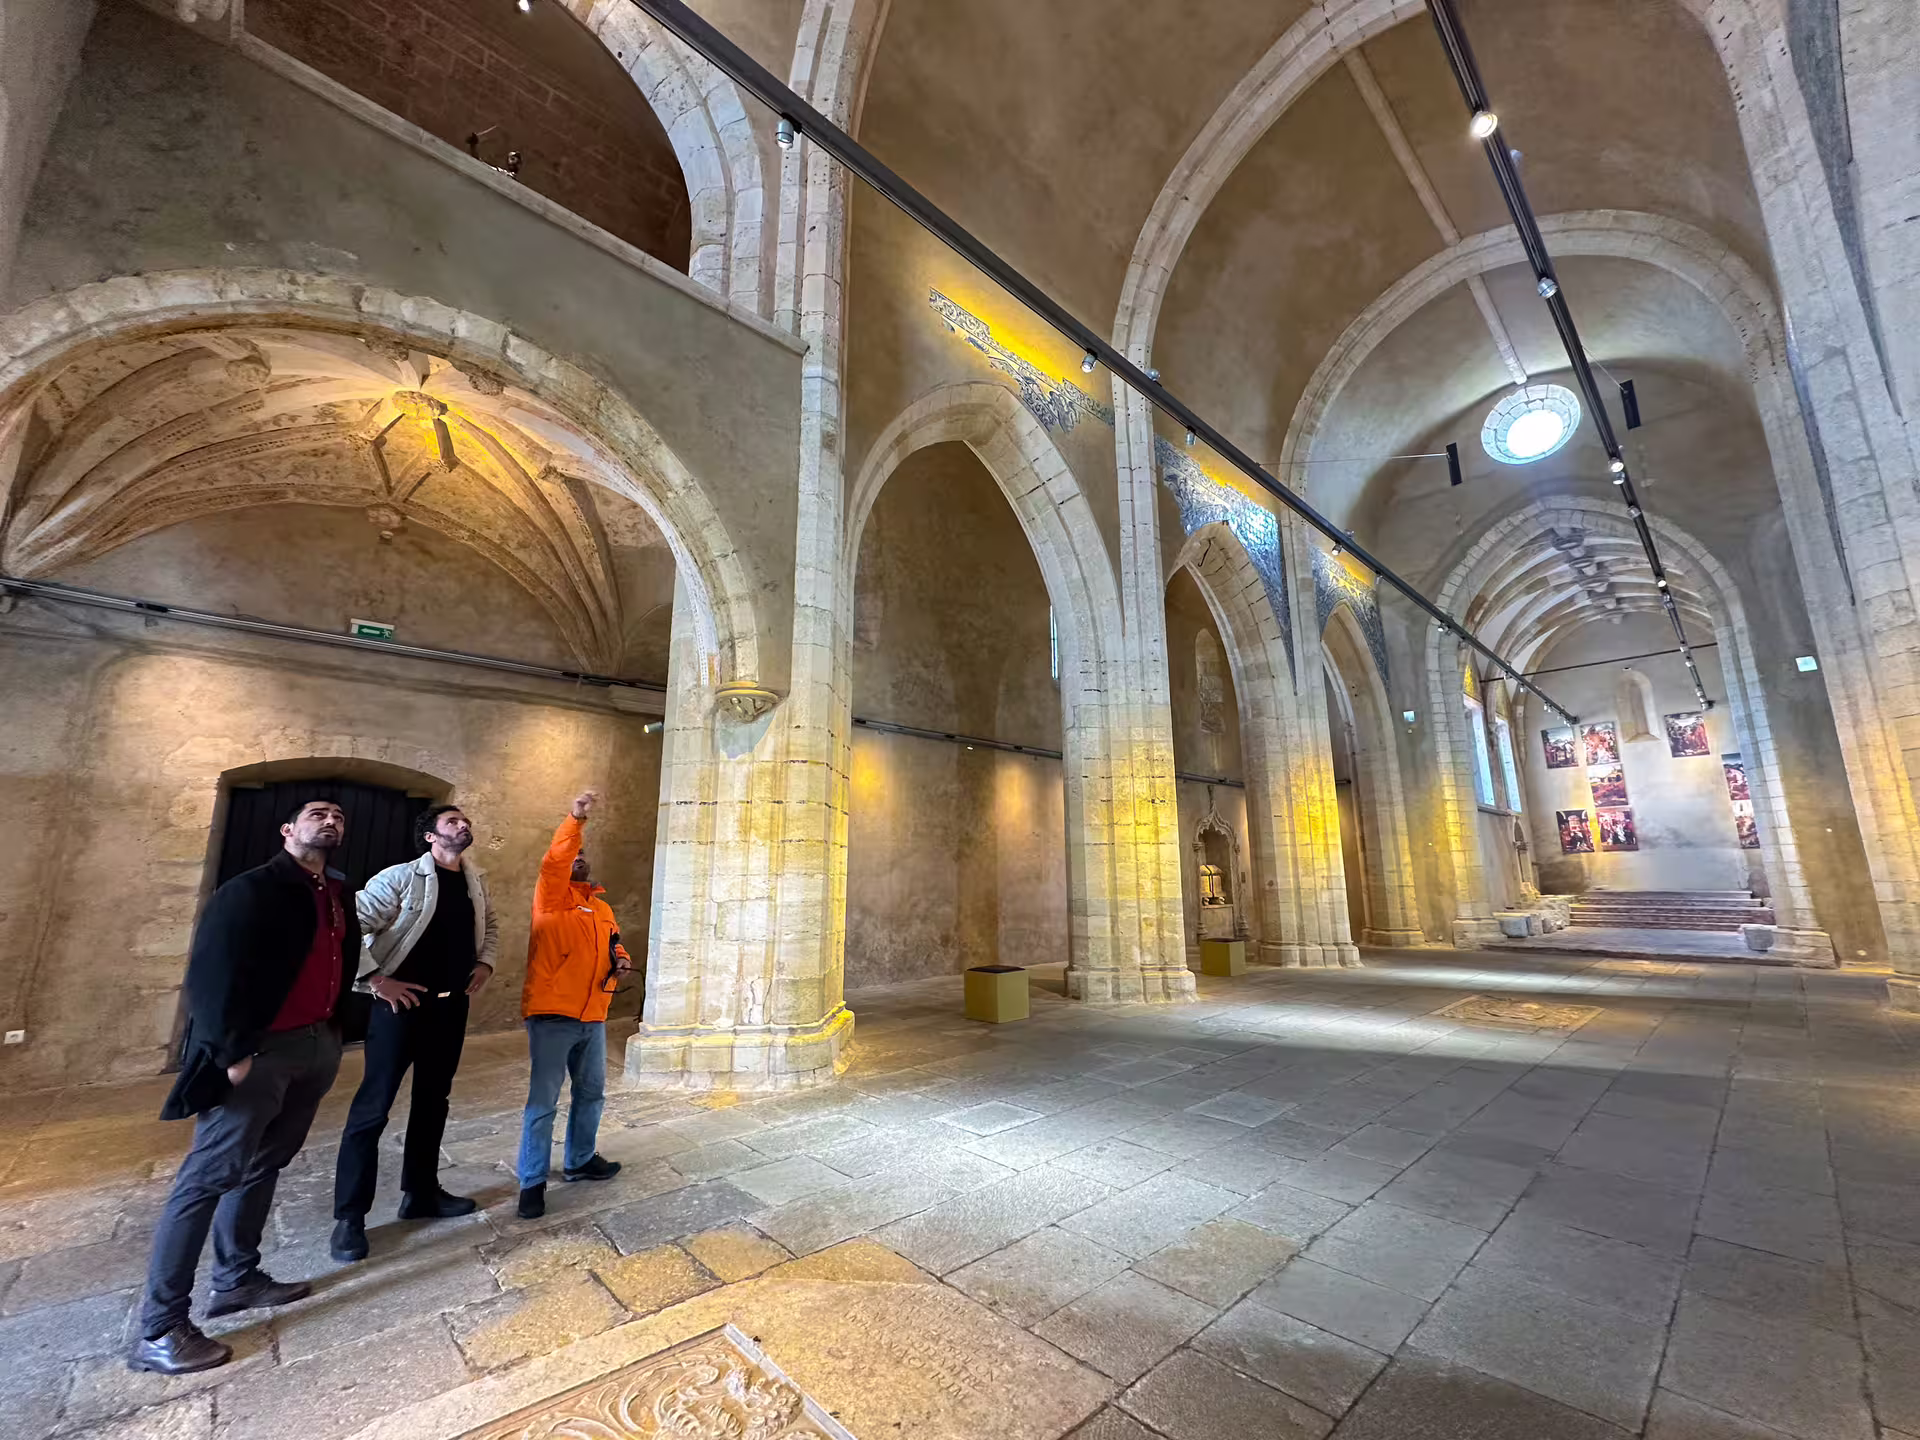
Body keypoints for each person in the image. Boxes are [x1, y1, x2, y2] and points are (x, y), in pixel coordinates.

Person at [130, 798, 358, 1375]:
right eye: (317, 814)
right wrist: (231, 1051)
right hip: (260, 1053)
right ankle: (160, 1328)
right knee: (207, 1177)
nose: (329, 821)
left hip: (315, 1043)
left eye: (337, 817)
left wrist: (334, 1033)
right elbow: (209, 977)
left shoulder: (335, 892)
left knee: (265, 1164)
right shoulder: (251, 889)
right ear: (288, 830)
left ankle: (236, 1278)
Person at [329, 803, 499, 1263]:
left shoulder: (474, 880)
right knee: (374, 1107)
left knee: (433, 1101)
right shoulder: (399, 878)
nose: (463, 825)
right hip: (400, 1009)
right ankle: (350, 1217)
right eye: (452, 822)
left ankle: (420, 1192)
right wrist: (374, 980)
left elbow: (492, 927)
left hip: (450, 1008)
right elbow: (350, 925)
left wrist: (485, 962)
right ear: (430, 836)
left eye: (466, 821)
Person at [514, 789, 631, 1219]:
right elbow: (554, 860)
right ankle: (531, 1181)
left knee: (591, 1092)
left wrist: (621, 960)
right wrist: (575, 820)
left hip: (593, 1015)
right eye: (573, 855)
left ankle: (580, 1160)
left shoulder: (601, 908)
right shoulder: (550, 898)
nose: (577, 858)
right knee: (543, 1102)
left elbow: (615, 944)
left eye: (583, 855)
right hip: (553, 1014)